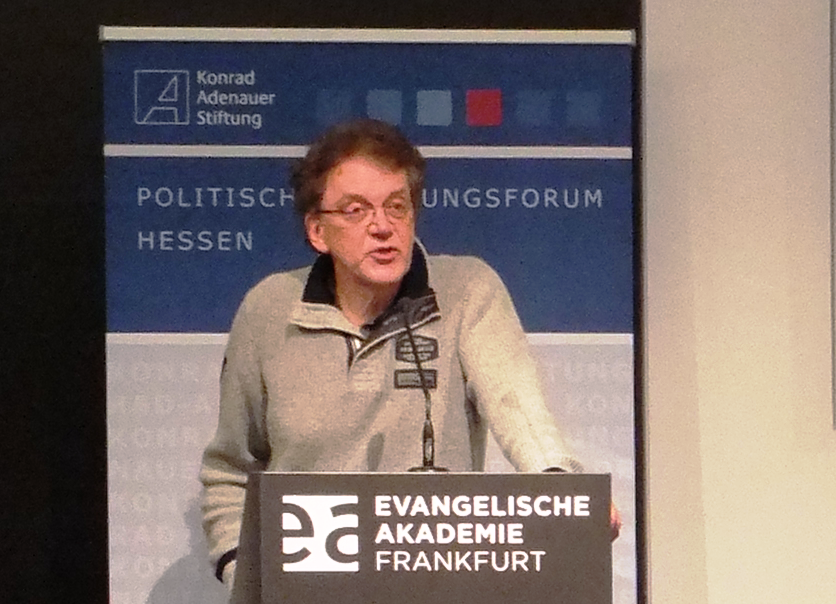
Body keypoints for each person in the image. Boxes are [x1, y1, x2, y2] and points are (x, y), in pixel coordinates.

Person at [199, 118, 618, 591]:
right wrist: (244, 576)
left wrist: (563, 492)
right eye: (356, 210)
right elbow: (231, 471)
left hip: (436, 585)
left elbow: (518, 407)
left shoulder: (466, 291)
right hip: (306, 589)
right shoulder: (269, 310)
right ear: (318, 230)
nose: (382, 226)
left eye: (396, 206)